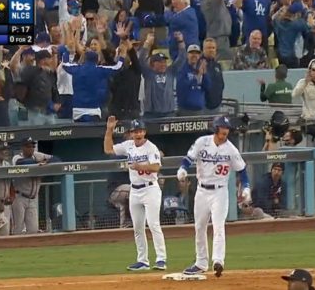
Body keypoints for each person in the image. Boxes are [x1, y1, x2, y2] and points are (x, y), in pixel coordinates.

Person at [177, 115, 251, 277]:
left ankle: (218, 261)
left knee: (218, 226)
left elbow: (242, 170)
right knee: (200, 227)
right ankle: (201, 263)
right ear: (215, 130)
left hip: (220, 191)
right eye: (222, 133)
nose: (224, 136)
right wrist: (183, 168)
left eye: (226, 133)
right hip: (202, 190)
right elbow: (188, 158)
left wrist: (246, 188)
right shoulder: (202, 142)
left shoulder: (230, 149)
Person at [104, 117, 167, 271]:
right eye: (135, 131)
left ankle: (161, 259)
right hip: (135, 190)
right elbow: (108, 150)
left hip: (150, 188)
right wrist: (109, 130)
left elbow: (156, 167)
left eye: (140, 131)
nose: (138, 134)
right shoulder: (129, 145)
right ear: (131, 133)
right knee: (138, 227)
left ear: (144, 132)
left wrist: (139, 165)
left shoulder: (151, 147)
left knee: (153, 225)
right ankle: (142, 260)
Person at [12, 137, 57, 235]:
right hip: (19, 197)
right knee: (18, 229)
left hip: (33, 199)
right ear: (22, 148)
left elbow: (57, 159)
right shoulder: (17, 157)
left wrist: (46, 163)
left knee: (33, 230)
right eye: (28, 146)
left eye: (33, 146)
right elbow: (22, 163)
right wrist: (40, 164)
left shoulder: (37, 155)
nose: (31, 148)